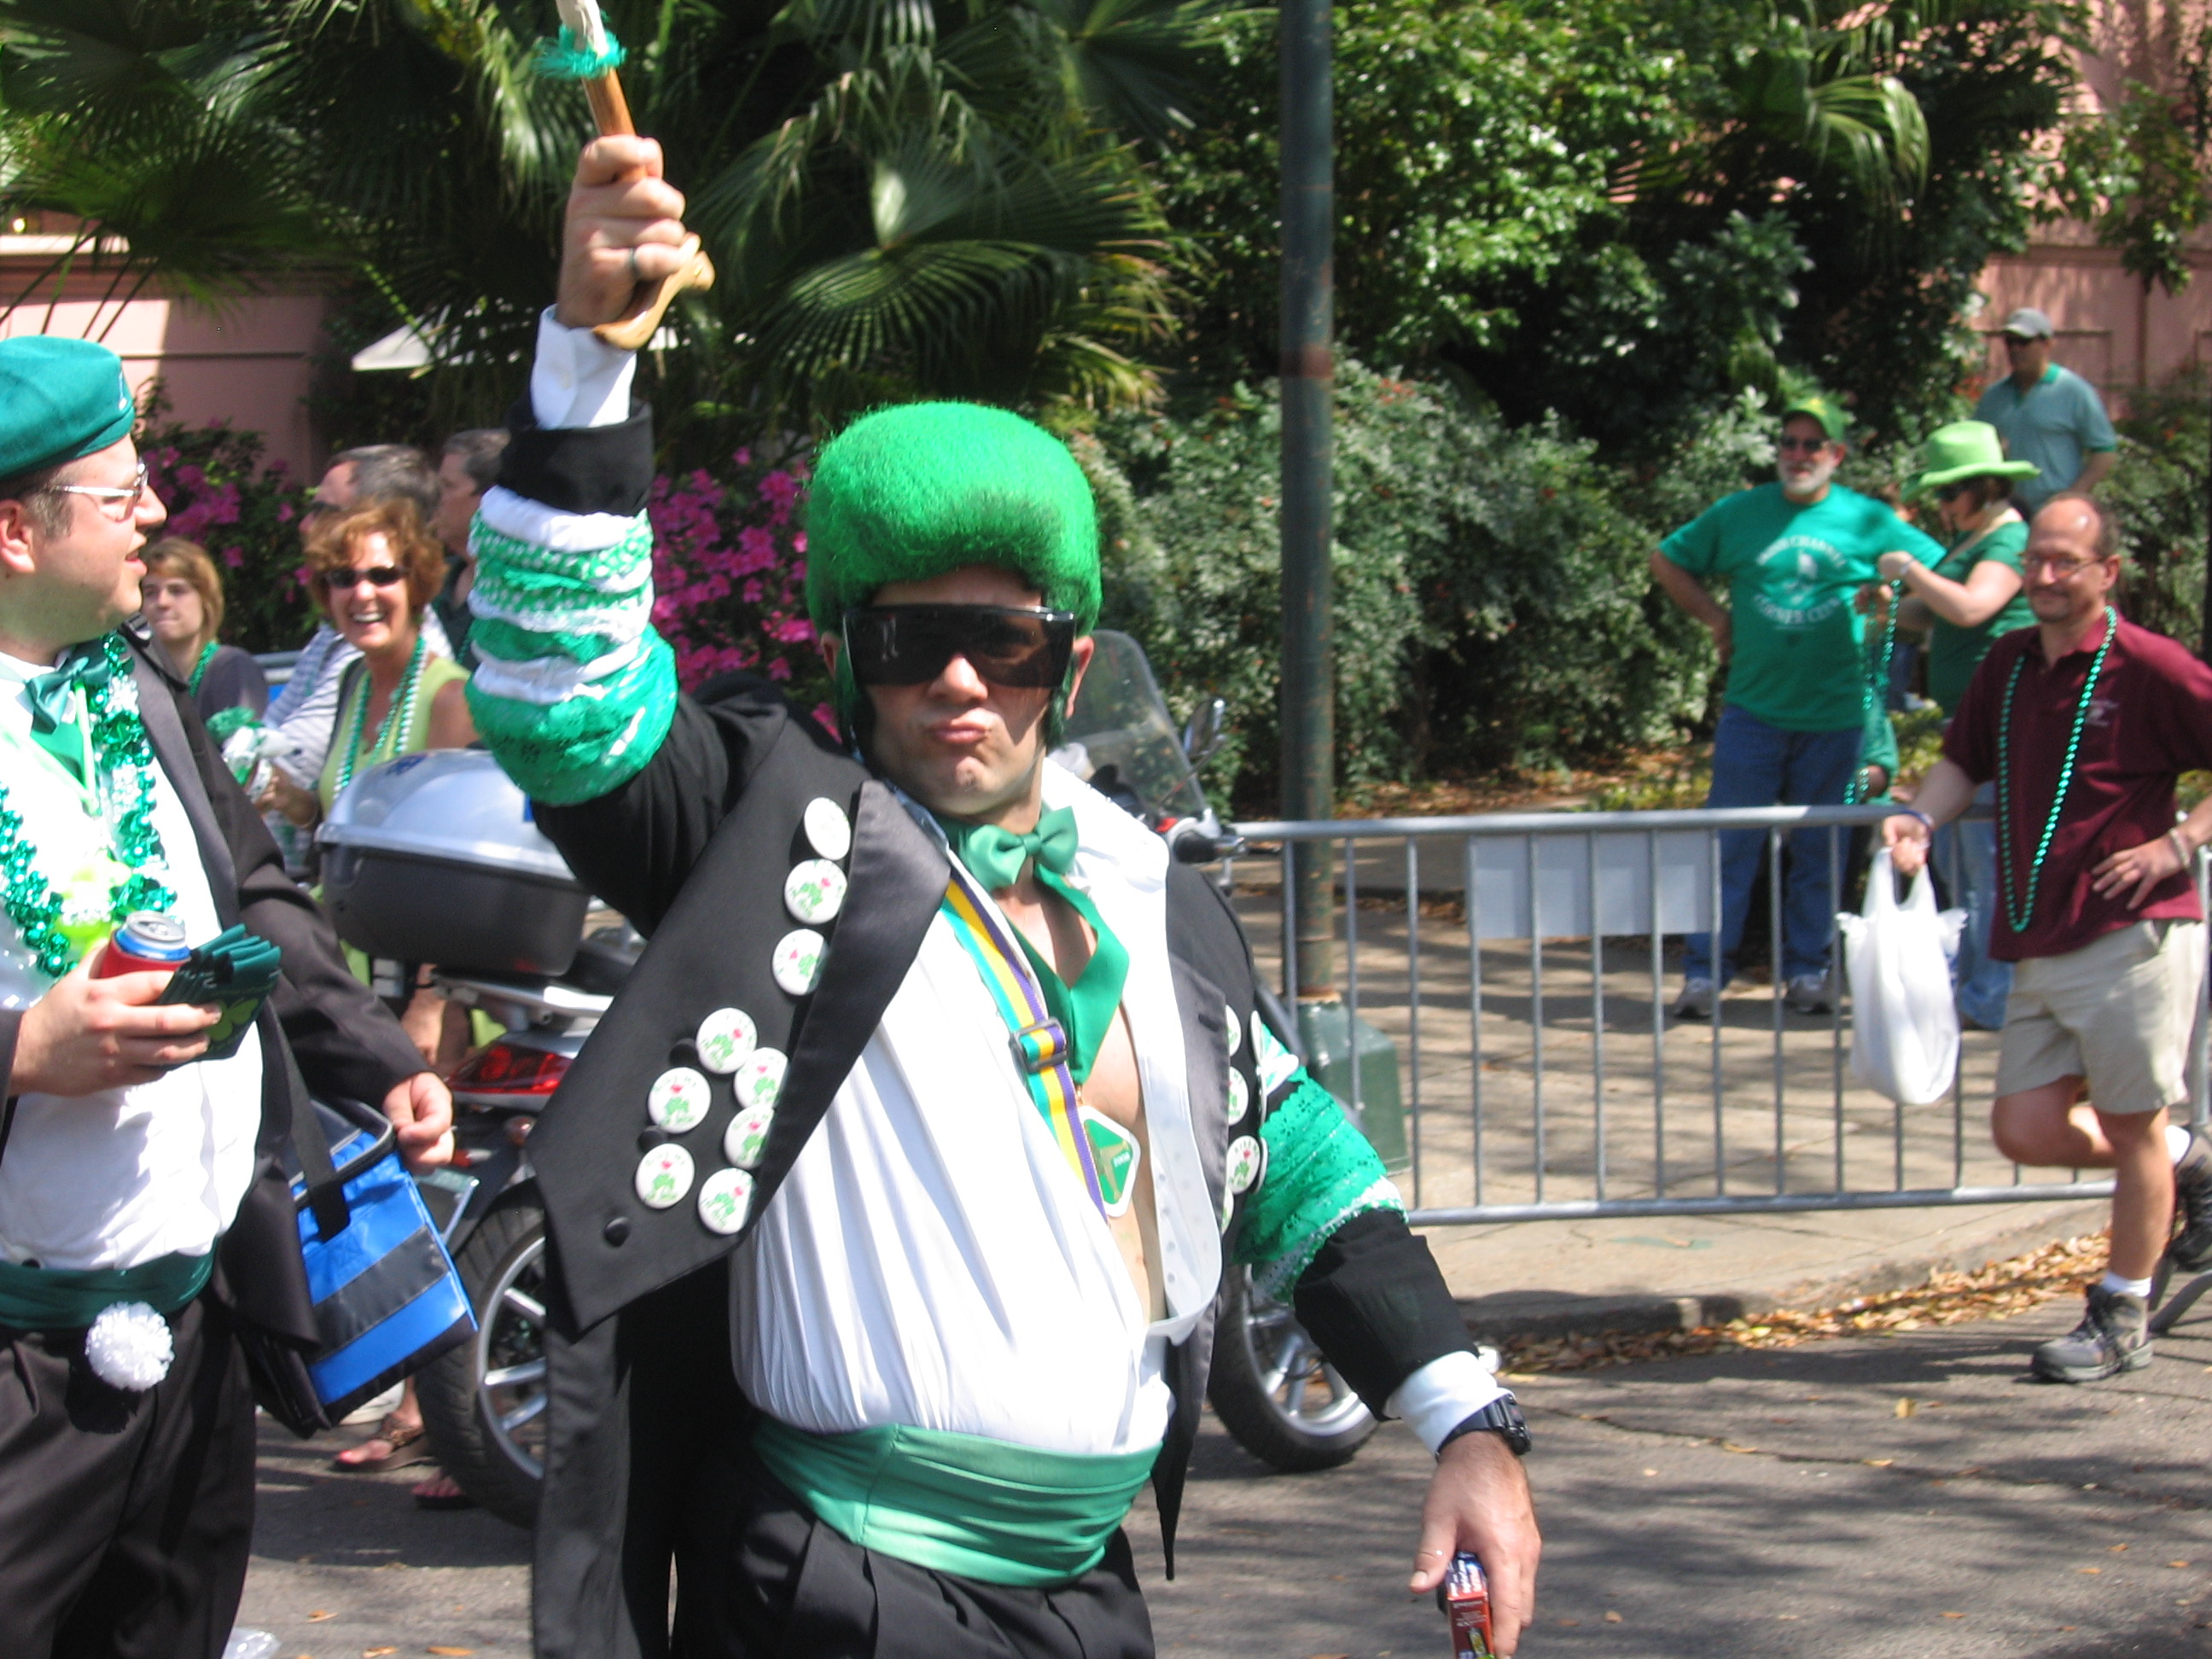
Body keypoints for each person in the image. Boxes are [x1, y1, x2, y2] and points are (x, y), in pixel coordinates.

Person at [464, 136, 1540, 1659]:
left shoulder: (1141, 886)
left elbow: (1295, 1165)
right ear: (849, 658)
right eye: (911, 640)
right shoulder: (779, 839)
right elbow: (561, 700)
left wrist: (1466, 1420)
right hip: (840, 1588)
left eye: (1008, 639)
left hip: (1091, 1592)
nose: (960, 680)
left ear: (1072, 660)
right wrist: (587, 357)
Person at [0, 335, 452, 1656]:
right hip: (21, 1368)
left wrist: (375, 1053)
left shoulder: (136, 687)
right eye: (119, 491)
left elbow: (253, 894)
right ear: (15, 530)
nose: (156, 515)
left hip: (196, 1336)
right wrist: (23, 1046)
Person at [1885, 494, 2212, 1383]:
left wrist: (2178, 843)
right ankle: (2193, 1162)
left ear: (2108, 573)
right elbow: (1963, 761)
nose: (2046, 577)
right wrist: (1918, 817)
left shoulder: (2149, 664)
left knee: (2130, 1125)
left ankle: (2121, 1312)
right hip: (2037, 934)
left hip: (2132, 934)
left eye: (2066, 561)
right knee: (2024, 1127)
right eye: (2036, 560)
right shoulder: (2011, 662)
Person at [1652, 393, 1946, 1019]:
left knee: (1823, 853)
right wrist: (1715, 619)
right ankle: (1705, 974)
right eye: (1789, 442)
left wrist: (1897, 605)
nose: (1799, 454)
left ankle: (1809, 972)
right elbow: (1668, 559)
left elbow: (1948, 576)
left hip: (1837, 718)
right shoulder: (1741, 513)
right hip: (1753, 713)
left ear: (1837, 455)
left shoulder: (1867, 520)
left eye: (1814, 444)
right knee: (1727, 846)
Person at [1878, 421, 2040, 1031]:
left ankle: (1991, 997)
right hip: (1971, 726)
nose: (1942, 508)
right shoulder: (1976, 540)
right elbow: (1944, 614)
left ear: (1985, 486)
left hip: (2004, 729)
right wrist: (1892, 604)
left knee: (1988, 869)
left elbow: (1974, 606)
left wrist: (1910, 573)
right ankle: (1975, 989)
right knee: (1963, 866)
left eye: (1950, 495)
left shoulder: (2006, 543)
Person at [264, 445, 451, 789]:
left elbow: (291, 759)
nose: (306, 525)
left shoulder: (447, 695)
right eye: (343, 577)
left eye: (382, 575)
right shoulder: (351, 662)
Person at [1972, 308, 2117, 518]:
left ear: (2047, 344)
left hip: (2056, 510)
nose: (2015, 349)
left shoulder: (2072, 391)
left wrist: (2074, 494)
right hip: (2008, 511)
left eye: (2023, 342)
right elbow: (1978, 449)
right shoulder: (1994, 397)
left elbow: (2105, 450)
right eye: (2010, 342)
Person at [137, 537, 269, 721]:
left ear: (205, 601)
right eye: (150, 592)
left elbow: (243, 745)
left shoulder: (232, 668)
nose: (162, 602)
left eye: (177, 591)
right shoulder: (135, 673)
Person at [430, 428, 509, 667]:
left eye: (447, 486)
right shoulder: (431, 581)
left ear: (491, 498)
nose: (434, 497)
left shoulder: (518, 598)